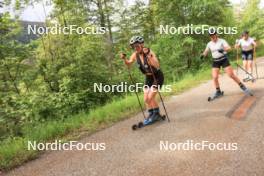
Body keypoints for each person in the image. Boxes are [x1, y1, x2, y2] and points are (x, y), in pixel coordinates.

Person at [120, 36, 164, 125]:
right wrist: (124, 59)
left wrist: (148, 55)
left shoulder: (149, 51)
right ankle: (152, 114)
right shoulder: (135, 55)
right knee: (146, 99)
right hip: (148, 77)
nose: (135, 48)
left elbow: (157, 65)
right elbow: (128, 64)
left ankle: (156, 114)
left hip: (157, 76)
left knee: (150, 97)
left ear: (142, 44)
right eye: (133, 46)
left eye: (137, 45)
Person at [200, 29, 253, 97]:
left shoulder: (222, 41)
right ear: (210, 36)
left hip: (223, 59)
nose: (213, 37)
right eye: (211, 36)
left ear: (216, 34)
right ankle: (218, 91)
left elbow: (229, 48)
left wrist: (223, 49)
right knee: (214, 77)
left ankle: (243, 87)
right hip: (216, 61)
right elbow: (206, 51)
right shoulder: (209, 44)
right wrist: (203, 55)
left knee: (231, 75)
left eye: (214, 35)